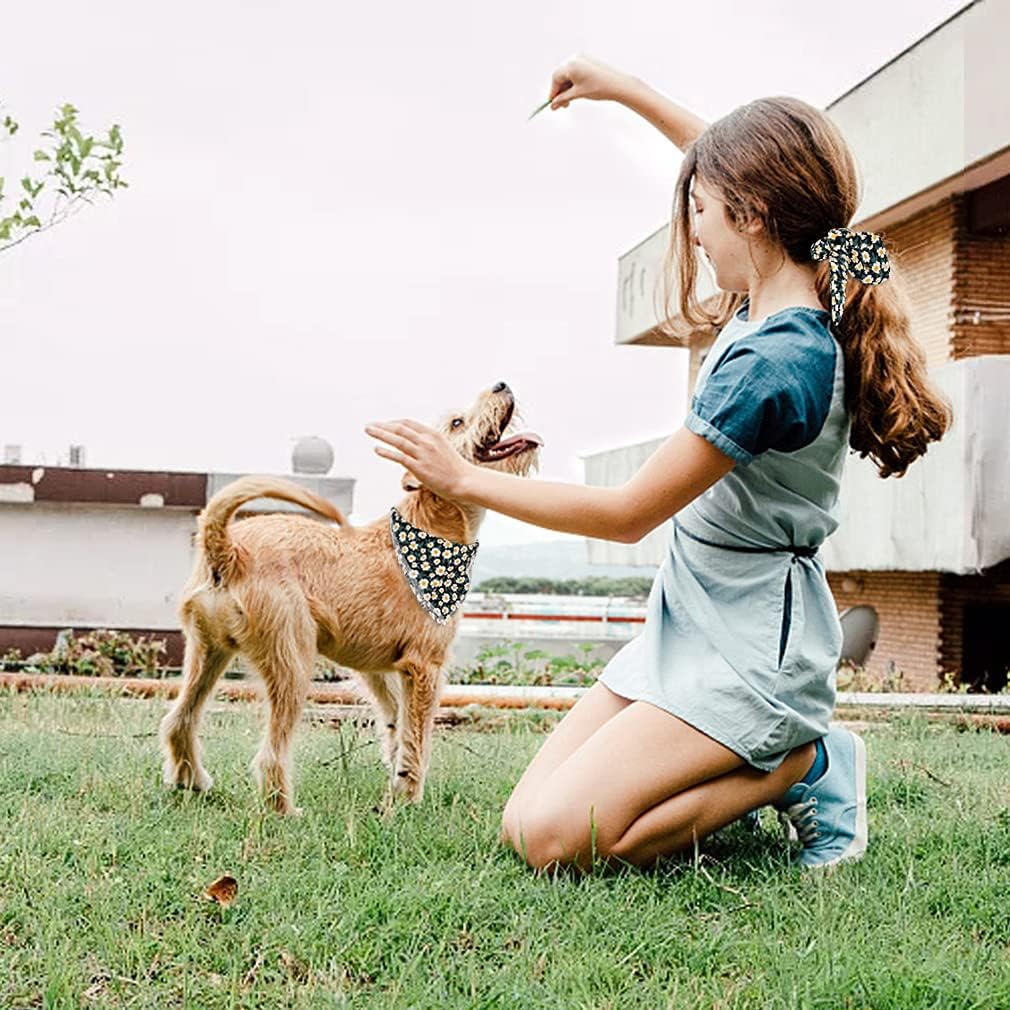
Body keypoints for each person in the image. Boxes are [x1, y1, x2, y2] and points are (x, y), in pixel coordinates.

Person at [363, 55, 952, 872]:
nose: (697, 230)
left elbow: (629, 513)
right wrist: (619, 88)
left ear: (750, 215)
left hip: (753, 647)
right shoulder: (792, 275)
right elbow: (720, 154)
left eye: (702, 211)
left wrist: (461, 476)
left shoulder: (779, 362)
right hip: (690, 621)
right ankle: (749, 764)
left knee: (553, 841)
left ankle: (801, 762)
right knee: (523, 819)